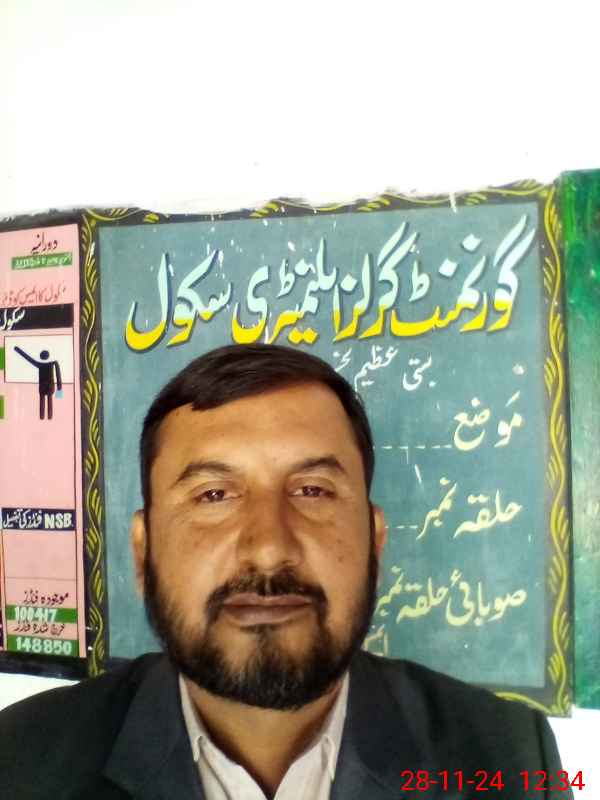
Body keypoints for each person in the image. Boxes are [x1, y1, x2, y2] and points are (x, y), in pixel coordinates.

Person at [0, 344, 569, 799]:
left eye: (312, 490)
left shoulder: (512, 763)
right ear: (143, 551)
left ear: (375, 542)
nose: (270, 549)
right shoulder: (20, 761)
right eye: (214, 495)